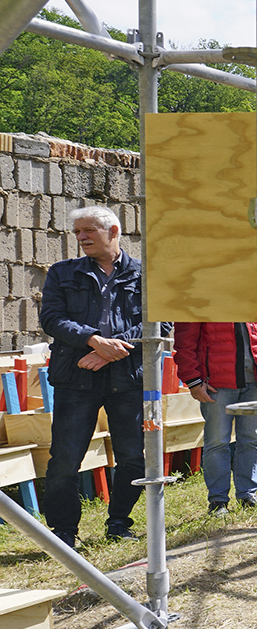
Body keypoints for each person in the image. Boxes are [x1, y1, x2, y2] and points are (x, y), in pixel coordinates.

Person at [38, 206, 145, 547]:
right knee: (65, 459)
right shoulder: (61, 273)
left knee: (132, 456)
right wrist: (93, 340)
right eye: (78, 232)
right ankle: (64, 532)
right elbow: (52, 319)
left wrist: (109, 351)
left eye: (88, 231)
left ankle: (119, 523)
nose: (81, 238)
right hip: (76, 378)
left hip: (127, 378)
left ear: (113, 231)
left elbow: (161, 322)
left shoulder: (145, 275)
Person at [173, 321, 257, 512]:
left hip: (254, 381)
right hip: (217, 383)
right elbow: (184, 341)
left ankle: (248, 495)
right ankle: (218, 501)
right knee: (217, 442)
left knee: (252, 439)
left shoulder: (251, 294)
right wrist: (193, 381)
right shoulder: (204, 295)